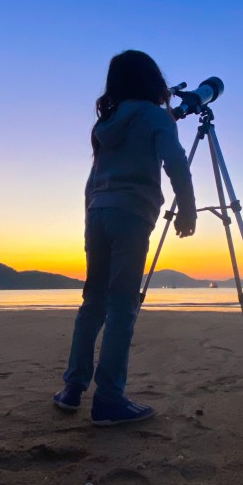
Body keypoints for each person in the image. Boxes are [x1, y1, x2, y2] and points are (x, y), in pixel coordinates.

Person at [53, 50, 196, 425]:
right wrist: (188, 207)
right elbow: (176, 161)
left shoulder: (108, 121)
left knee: (93, 302)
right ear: (152, 79)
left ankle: (72, 388)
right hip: (131, 213)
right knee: (121, 306)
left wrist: (91, 215)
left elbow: (92, 178)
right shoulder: (154, 116)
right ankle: (110, 399)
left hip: (97, 212)